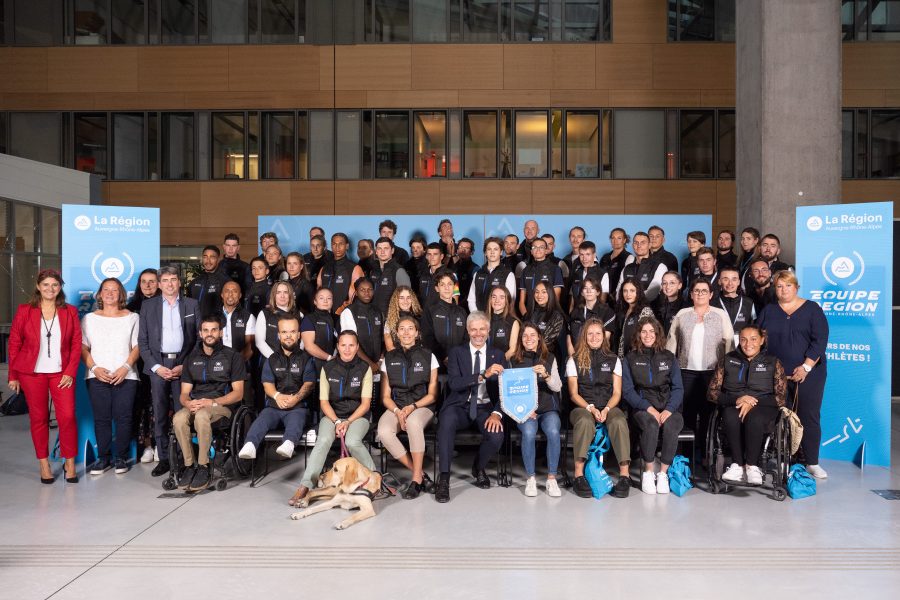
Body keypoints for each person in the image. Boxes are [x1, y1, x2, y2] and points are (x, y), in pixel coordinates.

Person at [8, 269, 82, 484]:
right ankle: (44, 463)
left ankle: (69, 462)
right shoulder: (25, 310)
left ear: (60, 288)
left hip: (61, 373)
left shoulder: (69, 311)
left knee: (67, 416)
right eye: (46, 285)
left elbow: (76, 344)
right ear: (39, 287)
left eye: (55, 285)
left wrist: (69, 371)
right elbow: (14, 343)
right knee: (38, 419)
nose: (51, 289)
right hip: (32, 373)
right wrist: (13, 375)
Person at [290, 331, 378, 505]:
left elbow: (365, 404)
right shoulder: (327, 368)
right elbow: (324, 402)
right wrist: (337, 421)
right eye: (343, 345)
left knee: (353, 441)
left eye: (351, 345)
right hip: (331, 416)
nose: (347, 349)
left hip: (357, 416)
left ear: (357, 347)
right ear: (337, 346)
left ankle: (374, 477)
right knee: (323, 440)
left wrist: (348, 421)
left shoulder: (364, 368)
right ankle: (305, 485)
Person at [757, 270, 829, 479]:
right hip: (776, 375)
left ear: (796, 287)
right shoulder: (769, 311)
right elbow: (759, 339)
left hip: (808, 374)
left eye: (788, 286)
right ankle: (782, 459)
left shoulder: (812, 309)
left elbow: (820, 340)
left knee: (808, 416)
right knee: (778, 417)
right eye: (779, 286)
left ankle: (812, 462)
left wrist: (805, 367)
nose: (783, 290)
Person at [434, 312, 507, 503]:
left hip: (485, 408)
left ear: (488, 330)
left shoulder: (498, 355)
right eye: (473, 329)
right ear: (467, 330)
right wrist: (482, 375)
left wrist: (497, 413)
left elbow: (505, 390)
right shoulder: (457, 353)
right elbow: (455, 383)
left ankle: (478, 467)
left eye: (482, 328)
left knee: (497, 435)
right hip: (459, 406)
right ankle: (444, 478)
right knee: (446, 423)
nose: (478, 333)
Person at [172, 314, 246, 492]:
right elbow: (183, 394)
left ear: (220, 332)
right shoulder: (191, 358)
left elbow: (238, 393)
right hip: (195, 404)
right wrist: (188, 404)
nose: (209, 334)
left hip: (221, 406)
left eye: (214, 330)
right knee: (178, 419)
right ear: (200, 333)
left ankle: (204, 466)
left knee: (202, 416)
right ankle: (190, 466)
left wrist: (212, 402)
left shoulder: (232, 356)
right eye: (206, 330)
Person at [138, 266, 199, 478]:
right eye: (165, 280)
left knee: (182, 413)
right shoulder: (148, 306)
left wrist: (185, 365)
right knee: (160, 413)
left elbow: (198, 340)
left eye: (174, 279)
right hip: (158, 365)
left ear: (179, 282)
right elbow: (143, 342)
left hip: (184, 364)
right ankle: (164, 458)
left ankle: (184, 458)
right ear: (159, 283)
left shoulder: (192, 304)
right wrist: (157, 367)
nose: (170, 284)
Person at [707, 324, 787, 485]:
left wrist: (752, 401)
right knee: (729, 416)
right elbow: (712, 392)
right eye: (743, 339)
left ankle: (752, 466)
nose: (748, 344)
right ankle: (737, 465)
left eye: (753, 339)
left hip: (764, 406)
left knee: (755, 418)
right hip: (733, 403)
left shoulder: (773, 362)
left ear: (762, 340)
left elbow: (781, 397)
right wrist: (737, 399)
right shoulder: (728, 359)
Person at [666, 278, 733, 454]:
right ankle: (685, 455)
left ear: (711, 294)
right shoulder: (682, 314)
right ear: (691, 294)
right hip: (685, 372)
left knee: (707, 415)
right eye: (697, 291)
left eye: (704, 291)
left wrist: (727, 371)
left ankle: (704, 454)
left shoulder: (721, 315)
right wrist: (668, 367)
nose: (700, 294)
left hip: (712, 373)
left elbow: (729, 344)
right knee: (686, 413)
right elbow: (672, 342)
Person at [566, 318, 631, 499]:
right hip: (583, 407)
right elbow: (573, 394)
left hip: (609, 406)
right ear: (584, 336)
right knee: (586, 421)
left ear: (604, 336)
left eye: (598, 334)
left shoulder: (613, 359)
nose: (594, 337)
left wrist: (607, 409)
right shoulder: (574, 360)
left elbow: (617, 392)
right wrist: (591, 408)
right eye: (590, 334)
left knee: (618, 420)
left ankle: (624, 476)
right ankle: (578, 474)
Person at [82, 278, 141, 475]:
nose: (109, 293)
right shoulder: (89, 319)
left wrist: (125, 367)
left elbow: (137, 346)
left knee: (124, 418)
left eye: (114, 290)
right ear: (99, 294)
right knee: (102, 419)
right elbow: (83, 347)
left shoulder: (132, 317)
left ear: (121, 294)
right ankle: (103, 458)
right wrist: (95, 368)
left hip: (126, 375)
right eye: (105, 289)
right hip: (97, 376)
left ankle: (121, 458)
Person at [239, 314, 317, 461]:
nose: (288, 336)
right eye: (284, 332)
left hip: (298, 407)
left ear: (298, 335)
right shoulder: (272, 359)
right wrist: (277, 396)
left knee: (296, 420)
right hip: (274, 406)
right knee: (262, 419)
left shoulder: (307, 359)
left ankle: (288, 444)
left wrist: (296, 399)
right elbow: (267, 384)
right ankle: (250, 445)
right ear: (279, 335)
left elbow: (309, 384)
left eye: (292, 332)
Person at [622, 317, 685, 495]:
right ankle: (649, 471)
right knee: (651, 425)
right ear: (638, 335)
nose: (648, 335)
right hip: (643, 408)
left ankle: (663, 474)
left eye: (651, 331)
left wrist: (668, 410)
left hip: (669, 407)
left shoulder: (669, 357)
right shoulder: (630, 358)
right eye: (644, 332)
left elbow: (678, 388)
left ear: (657, 334)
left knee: (672, 426)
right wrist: (648, 408)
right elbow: (627, 391)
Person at [378, 316, 439, 499]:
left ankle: (415, 481)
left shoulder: (429, 356)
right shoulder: (388, 358)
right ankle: (419, 474)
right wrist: (397, 411)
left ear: (417, 332)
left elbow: (433, 395)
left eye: (410, 328)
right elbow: (385, 397)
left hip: (422, 406)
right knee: (383, 431)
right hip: (397, 407)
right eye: (402, 329)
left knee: (413, 423)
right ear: (396, 333)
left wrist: (412, 407)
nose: (406, 332)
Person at [511, 323, 563, 498]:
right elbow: (509, 392)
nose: (529, 339)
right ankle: (531, 478)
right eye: (525, 336)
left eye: (532, 335)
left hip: (547, 409)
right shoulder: (514, 360)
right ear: (521, 340)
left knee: (554, 431)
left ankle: (551, 478)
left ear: (539, 337)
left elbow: (557, 387)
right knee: (529, 432)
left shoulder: (550, 357)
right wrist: (525, 410)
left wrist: (547, 376)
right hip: (524, 411)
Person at [126, 268, 160, 464]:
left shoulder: (168, 304)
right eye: (144, 281)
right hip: (138, 365)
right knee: (142, 406)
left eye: (152, 281)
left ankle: (159, 444)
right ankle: (146, 445)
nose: (148, 285)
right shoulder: (131, 308)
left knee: (160, 405)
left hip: (161, 364)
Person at [420, 273, 468, 370]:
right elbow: (427, 337)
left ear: (454, 287)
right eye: (442, 285)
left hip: (458, 363)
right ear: (437, 288)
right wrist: (444, 356)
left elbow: (466, 338)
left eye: (450, 284)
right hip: (435, 363)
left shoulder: (462, 312)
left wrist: (457, 357)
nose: (447, 288)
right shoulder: (430, 310)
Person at [340, 278, 385, 374]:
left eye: (370, 289)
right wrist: (370, 364)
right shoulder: (349, 312)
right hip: (357, 365)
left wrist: (379, 362)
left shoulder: (378, 311)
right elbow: (351, 343)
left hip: (377, 366)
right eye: (362, 290)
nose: (367, 293)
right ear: (356, 292)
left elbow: (382, 339)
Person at [567, 274, 615, 357]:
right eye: (585, 288)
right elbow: (569, 337)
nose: (588, 291)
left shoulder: (607, 312)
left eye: (592, 288)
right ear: (582, 292)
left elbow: (606, 340)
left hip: (597, 357)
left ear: (598, 292)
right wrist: (573, 358)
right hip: (576, 356)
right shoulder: (575, 312)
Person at [318, 232, 365, 314]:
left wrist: (342, 310)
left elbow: (355, 297)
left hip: (343, 315)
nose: (337, 247)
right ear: (331, 246)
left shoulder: (354, 268)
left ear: (347, 246)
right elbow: (318, 292)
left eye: (341, 244)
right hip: (323, 314)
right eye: (334, 244)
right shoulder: (324, 268)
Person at [254, 281, 300, 361]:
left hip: (293, 361)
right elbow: (259, 342)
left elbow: (302, 341)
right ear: (274, 295)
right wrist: (275, 359)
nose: (282, 296)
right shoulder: (264, 313)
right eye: (278, 292)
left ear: (290, 295)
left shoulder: (299, 315)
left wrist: (293, 358)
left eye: (285, 292)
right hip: (270, 359)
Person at [518, 237, 563, 317]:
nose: (538, 250)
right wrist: (526, 317)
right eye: (534, 247)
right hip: (529, 317)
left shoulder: (555, 269)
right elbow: (521, 302)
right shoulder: (526, 270)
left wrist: (547, 318)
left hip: (547, 317)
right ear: (531, 251)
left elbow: (556, 300)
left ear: (546, 250)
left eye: (541, 247)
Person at [468, 237, 516, 313]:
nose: (492, 252)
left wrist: (498, 319)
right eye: (489, 249)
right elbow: (471, 299)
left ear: (501, 252)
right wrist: (477, 316)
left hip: (499, 320)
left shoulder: (508, 274)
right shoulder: (478, 274)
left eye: (496, 249)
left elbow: (510, 301)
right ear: (485, 252)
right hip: (480, 320)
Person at [617, 231, 666, 303]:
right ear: (633, 245)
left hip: (650, 311)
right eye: (636, 243)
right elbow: (618, 292)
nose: (639, 245)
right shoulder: (627, 268)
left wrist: (632, 303)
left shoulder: (660, 267)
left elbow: (652, 294)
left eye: (643, 242)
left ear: (649, 245)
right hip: (626, 311)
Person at [370, 236, 411, 316]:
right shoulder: (373, 272)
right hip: (374, 318)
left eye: (386, 248)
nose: (382, 252)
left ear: (392, 250)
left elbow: (407, 300)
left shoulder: (399, 271)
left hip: (392, 319)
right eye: (379, 249)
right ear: (376, 251)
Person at [613, 280, 655, 357]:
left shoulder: (645, 311)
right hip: (623, 357)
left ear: (638, 292)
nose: (628, 294)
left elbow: (649, 337)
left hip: (639, 358)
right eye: (625, 291)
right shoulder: (622, 311)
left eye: (632, 291)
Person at [716, 266, 756, 346]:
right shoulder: (712, 303)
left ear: (738, 282)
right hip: (717, 346)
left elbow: (753, 327)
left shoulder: (748, 303)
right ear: (719, 281)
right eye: (725, 279)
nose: (730, 283)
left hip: (741, 347)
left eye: (734, 279)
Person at [187, 245, 230, 316]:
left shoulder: (226, 282)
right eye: (205, 257)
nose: (208, 261)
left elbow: (231, 308)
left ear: (218, 259)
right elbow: (189, 307)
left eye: (212, 257)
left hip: (216, 325)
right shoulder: (194, 282)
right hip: (197, 325)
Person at [301, 287, 337, 371]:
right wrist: (329, 357)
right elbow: (309, 346)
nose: (325, 301)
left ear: (332, 301)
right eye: (321, 298)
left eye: (329, 298)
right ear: (315, 301)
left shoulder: (337, 319)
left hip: (334, 366)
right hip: (313, 366)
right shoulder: (309, 319)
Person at [527, 281, 567, 355]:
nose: (539, 295)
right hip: (528, 355)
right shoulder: (529, 314)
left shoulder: (557, 317)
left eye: (544, 292)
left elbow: (547, 340)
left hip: (548, 357)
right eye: (537, 292)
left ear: (550, 293)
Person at [568, 241, 609, 311]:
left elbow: (602, 300)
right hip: (576, 316)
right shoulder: (577, 273)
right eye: (581, 255)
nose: (584, 258)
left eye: (588, 254)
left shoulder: (602, 273)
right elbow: (572, 299)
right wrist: (571, 314)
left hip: (593, 317)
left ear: (594, 255)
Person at [384, 285, 423, 353]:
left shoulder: (420, 317)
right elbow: (389, 347)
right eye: (401, 298)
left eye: (408, 297)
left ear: (412, 299)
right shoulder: (390, 320)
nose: (405, 301)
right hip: (397, 357)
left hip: (418, 357)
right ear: (396, 300)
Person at [417, 242, 457, 308]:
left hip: (442, 315)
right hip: (424, 315)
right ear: (426, 256)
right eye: (429, 254)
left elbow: (455, 298)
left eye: (435, 254)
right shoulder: (423, 275)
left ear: (441, 256)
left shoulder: (451, 274)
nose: (432, 257)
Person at [486, 285, 520, 361]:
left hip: (503, 365)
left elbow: (512, 350)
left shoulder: (513, 322)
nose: (497, 300)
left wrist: (498, 362)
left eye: (502, 297)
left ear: (507, 301)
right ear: (490, 299)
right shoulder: (483, 320)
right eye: (494, 297)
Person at [599, 227, 631, 298]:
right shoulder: (605, 257)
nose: (615, 241)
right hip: (603, 297)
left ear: (624, 240)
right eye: (613, 238)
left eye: (619, 238)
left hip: (619, 297)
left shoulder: (628, 257)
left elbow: (628, 281)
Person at [452, 237, 478, 306]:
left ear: (471, 252)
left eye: (466, 248)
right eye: (460, 247)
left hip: (468, 308)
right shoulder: (452, 267)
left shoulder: (475, 269)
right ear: (457, 250)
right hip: (451, 307)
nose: (463, 250)